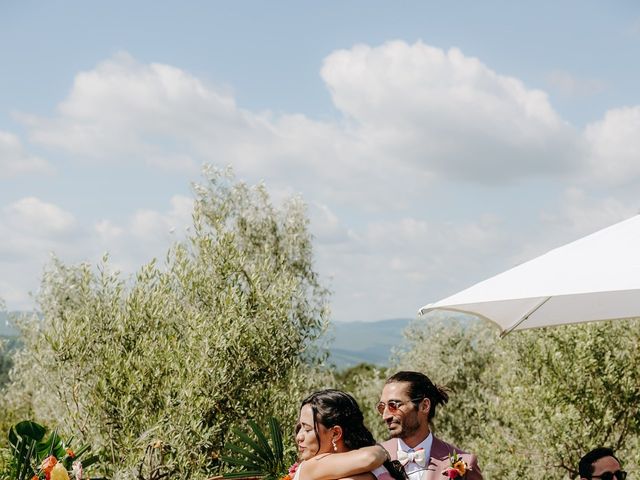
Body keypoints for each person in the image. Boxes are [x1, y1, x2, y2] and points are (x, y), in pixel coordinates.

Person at [376, 371, 483, 480]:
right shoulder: (374, 459)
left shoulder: (464, 463)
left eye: (393, 405)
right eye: (382, 407)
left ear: (424, 406)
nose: (385, 416)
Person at [294, 389, 406, 480]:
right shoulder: (309, 468)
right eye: (300, 427)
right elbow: (371, 457)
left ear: (335, 433)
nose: (299, 437)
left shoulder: (375, 465)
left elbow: (370, 457)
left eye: (307, 429)